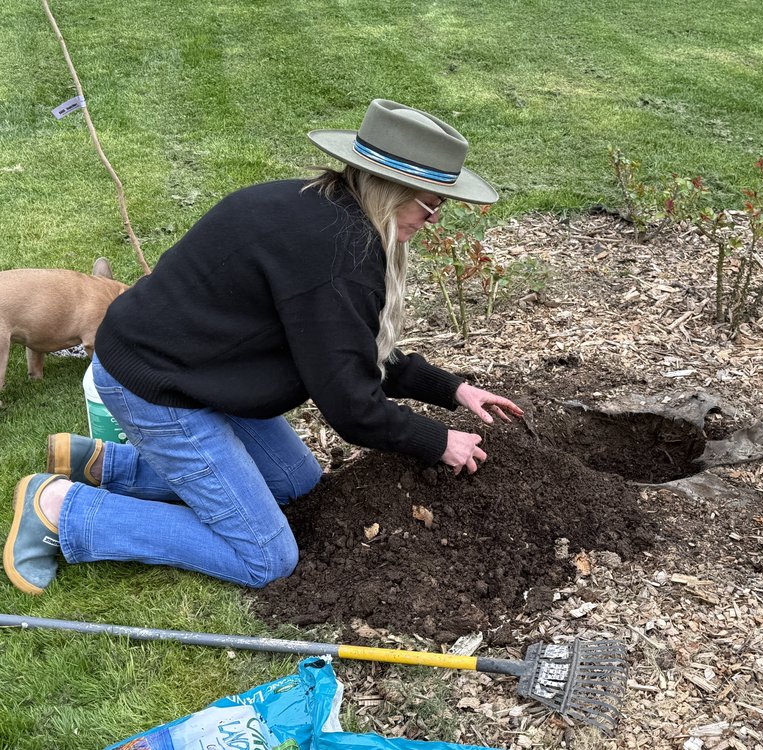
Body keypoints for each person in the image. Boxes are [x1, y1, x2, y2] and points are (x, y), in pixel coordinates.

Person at [3, 99, 523, 596]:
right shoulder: (338, 256)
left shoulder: (315, 206)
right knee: (265, 557)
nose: (433, 222)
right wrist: (438, 441)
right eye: (432, 207)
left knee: (297, 481)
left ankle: (104, 466)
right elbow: (351, 407)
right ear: (392, 189)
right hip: (159, 386)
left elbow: (348, 352)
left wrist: (452, 389)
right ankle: (62, 511)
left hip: (200, 365)